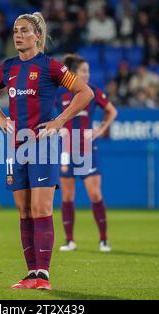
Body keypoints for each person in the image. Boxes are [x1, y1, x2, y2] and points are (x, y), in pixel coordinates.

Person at [0, 12, 94, 290]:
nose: (18, 35)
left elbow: (85, 92)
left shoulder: (50, 67)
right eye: (15, 31)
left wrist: (59, 121)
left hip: (43, 145)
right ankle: (30, 274)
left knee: (41, 207)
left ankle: (43, 275)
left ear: (37, 36)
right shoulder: (7, 67)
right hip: (15, 146)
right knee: (23, 210)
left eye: (24, 30)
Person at [55, 54, 117, 252]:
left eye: (88, 71)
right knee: (67, 195)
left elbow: (112, 111)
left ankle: (104, 239)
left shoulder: (93, 92)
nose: (87, 74)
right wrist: (58, 127)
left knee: (95, 194)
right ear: (73, 73)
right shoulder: (60, 94)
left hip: (87, 149)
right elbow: (48, 112)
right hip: (66, 150)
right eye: (83, 70)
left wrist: (100, 130)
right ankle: (70, 240)